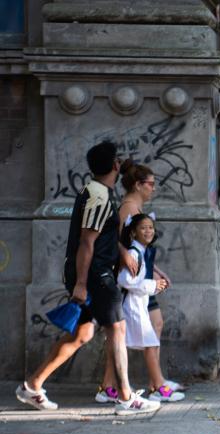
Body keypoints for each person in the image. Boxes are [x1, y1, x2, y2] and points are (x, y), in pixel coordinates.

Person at [15, 141, 160, 416]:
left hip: (95, 272)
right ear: (114, 165)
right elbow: (86, 242)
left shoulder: (99, 192)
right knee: (118, 328)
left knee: (83, 333)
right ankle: (126, 397)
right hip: (96, 274)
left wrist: (118, 251)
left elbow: (102, 235)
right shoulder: (98, 195)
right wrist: (81, 283)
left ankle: (32, 385)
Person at [94, 160, 184, 403]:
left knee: (150, 327)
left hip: (141, 279)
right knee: (139, 332)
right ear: (137, 184)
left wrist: (156, 270)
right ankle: (153, 385)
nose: (153, 188)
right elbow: (115, 241)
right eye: (151, 184)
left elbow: (141, 250)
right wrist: (128, 258)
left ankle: (118, 385)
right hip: (133, 284)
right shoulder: (127, 208)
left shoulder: (135, 207)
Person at [117, 214, 183, 401]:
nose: (148, 231)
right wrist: (153, 286)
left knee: (147, 345)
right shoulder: (134, 253)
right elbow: (125, 280)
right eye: (143, 228)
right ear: (133, 232)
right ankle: (158, 389)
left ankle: (154, 387)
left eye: (150, 227)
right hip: (133, 306)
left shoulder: (141, 251)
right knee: (150, 345)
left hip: (139, 305)